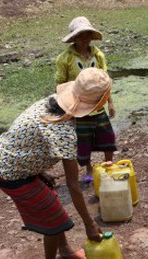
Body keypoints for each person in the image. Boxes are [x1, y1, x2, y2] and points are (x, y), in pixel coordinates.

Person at [0, 68, 112, 259]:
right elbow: (73, 185)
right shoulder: (62, 130)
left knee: (52, 205)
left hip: (17, 162)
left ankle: (64, 250)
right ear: (97, 103)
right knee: (55, 219)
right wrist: (89, 224)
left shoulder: (54, 102)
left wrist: (40, 170)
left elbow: (30, 140)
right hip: (8, 172)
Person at [55, 16, 116, 184]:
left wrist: (110, 102)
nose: (85, 39)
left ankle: (109, 165)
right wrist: (64, 108)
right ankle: (89, 169)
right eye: (81, 36)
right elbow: (60, 83)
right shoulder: (65, 58)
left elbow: (105, 80)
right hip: (78, 107)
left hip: (98, 105)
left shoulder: (98, 55)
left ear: (91, 36)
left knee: (107, 136)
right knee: (83, 142)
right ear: (74, 38)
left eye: (87, 35)